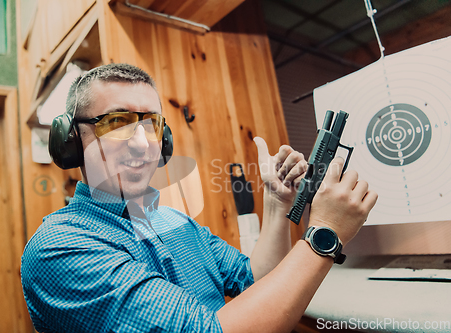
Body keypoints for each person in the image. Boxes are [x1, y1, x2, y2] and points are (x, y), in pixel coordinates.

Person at [21, 63, 377, 333]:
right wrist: (325, 235)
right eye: (117, 123)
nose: (143, 143)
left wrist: (276, 203)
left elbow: (255, 279)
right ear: (70, 141)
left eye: (152, 125)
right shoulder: (61, 247)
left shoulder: (174, 222)